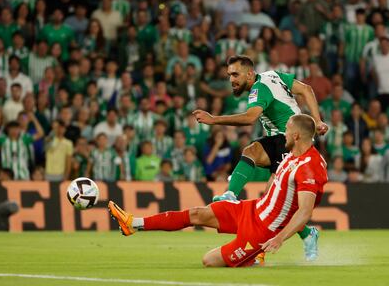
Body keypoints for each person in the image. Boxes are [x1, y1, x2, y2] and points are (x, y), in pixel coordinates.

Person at [109, 114, 328, 267]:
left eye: (288, 132)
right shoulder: (292, 155)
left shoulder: (310, 167)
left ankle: (253, 255)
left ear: (297, 136)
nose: (285, 136)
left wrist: (279, 238)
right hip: (251, 210)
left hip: (261, 231)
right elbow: (278, 181)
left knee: (209, 260)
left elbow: (304, 212)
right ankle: (133, 224)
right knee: (197, 213)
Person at [193, 55, 328, 261]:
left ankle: (303, 236)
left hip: (291, 140)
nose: (232, 79)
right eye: (229, 75)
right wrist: (317, 121)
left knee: (274, 203)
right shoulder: (274, 75)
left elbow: (250, 118)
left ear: (250, 73)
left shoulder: (259, 88)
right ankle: (231, 194)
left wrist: (214, 120)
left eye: (235, 74)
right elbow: (306, 90)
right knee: (251, 152)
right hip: (277, 139)